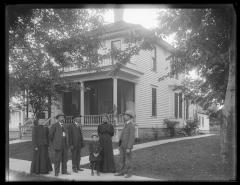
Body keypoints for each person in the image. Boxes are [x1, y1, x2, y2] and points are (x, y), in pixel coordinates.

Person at [115, 110, 135, 178]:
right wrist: (120, 144)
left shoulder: (131, 125)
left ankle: (129, 173)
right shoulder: (125, 124)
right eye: (124, 115)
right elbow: (123, 134)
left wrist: (129, 147)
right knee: (121, 159)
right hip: (122, 145)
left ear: (129, 117)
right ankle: (121, 171)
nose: (124, 116)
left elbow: (131, 137)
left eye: (126, 115)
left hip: (127, 146)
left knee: (128, 160)